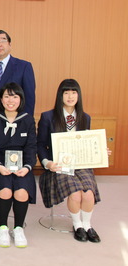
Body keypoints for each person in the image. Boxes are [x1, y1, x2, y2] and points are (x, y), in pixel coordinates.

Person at [37, 79, 111, 243]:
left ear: (78, 95)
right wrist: (47, 163)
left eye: (74, 92)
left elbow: (86, 141)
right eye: (66, 92)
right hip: (60, 165)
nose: (70, 96)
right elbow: (40, 145)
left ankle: (87, 225)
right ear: (60, 95)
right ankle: (77, 225)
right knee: (76, 193)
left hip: (81, 164)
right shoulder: (48, 117)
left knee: (88, 194)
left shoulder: (85, 117)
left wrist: (99, 151)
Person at [0, 83, 37, 248]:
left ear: (20, 99)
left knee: (21, 193)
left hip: (22, 166)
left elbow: (31, 147)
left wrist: (28, 167)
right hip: (0, 165)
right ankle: (2, 228)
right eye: (6, 96)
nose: (10, 100)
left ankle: (18, 228)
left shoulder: (28, 119)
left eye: (15, 96)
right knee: (5, 191)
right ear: (1, 99)